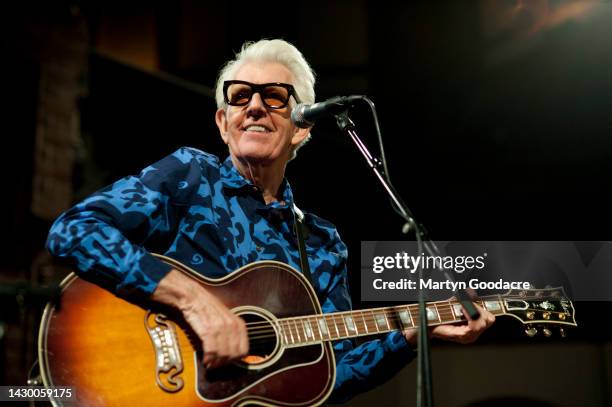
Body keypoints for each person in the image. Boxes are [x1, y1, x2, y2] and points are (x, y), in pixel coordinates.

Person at [46, 39, 495, 403]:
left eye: (274, 97)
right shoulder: (189, 176)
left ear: (302, 127)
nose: (255, 106)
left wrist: (411, 336)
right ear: (224, 123)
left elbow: (329, 376)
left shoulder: (321, 242)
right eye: (240, 97)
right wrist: (194, 304)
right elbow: (73, 232)